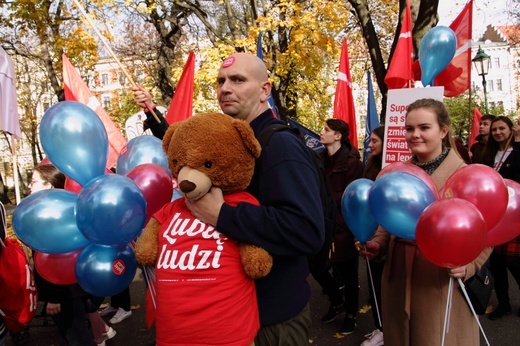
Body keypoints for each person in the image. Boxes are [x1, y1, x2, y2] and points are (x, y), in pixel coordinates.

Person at [133, 52, 325, 345]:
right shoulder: (233, 140)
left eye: (238, 80)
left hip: (270, 322)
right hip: (226, 319)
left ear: (264, 90)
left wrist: (223, 215)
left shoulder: (279, 145)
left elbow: (306, 230)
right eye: (221, 81)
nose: (225, 88)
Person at [359, 99, 492, 346]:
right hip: (398, 276)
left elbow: (486, 232)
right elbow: (388, 221)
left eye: (424, 127)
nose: (415, 135)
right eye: (409, 129)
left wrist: (470, 266)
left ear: (443, 130)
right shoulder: (397, 173)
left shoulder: (466, 176)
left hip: (441, 281)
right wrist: (378, 243)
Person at [30, 164, 115, 346]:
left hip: (65, 294)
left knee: (78, 339)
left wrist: (54, 297)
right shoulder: (56, 210)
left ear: (49, 186)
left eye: (33, 182)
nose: (30, 186)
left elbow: (57, 257)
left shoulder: (53, 216)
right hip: (69, 292)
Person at [318, 119, 363, 335]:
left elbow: (352, 195)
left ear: (338, 136)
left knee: (348, 274)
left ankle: (351, 315)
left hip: (344, 225)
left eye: (326, 130)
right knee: (317, 266)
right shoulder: (320, 158)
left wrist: (325, 198)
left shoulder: (352, 162)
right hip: (323, 223)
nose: (321, 132)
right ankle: (337, 302)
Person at [477, 116, 520, 320]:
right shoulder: (489, 153)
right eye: (494, 129)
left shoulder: (517, 152)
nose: (497, 132)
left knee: (514, 261)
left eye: (502, 128)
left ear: (511, 129)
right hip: (493, 214)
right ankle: (503, 304)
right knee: (496, 263)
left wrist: (519, 142)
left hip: (513, 213)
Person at [360, 125, 385, 346]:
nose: (370, 145)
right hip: (372, 234)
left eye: (375, 141)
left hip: (391, 237)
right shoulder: (369, 167)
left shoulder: (396, 168)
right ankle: (380, 328)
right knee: (374, 284)